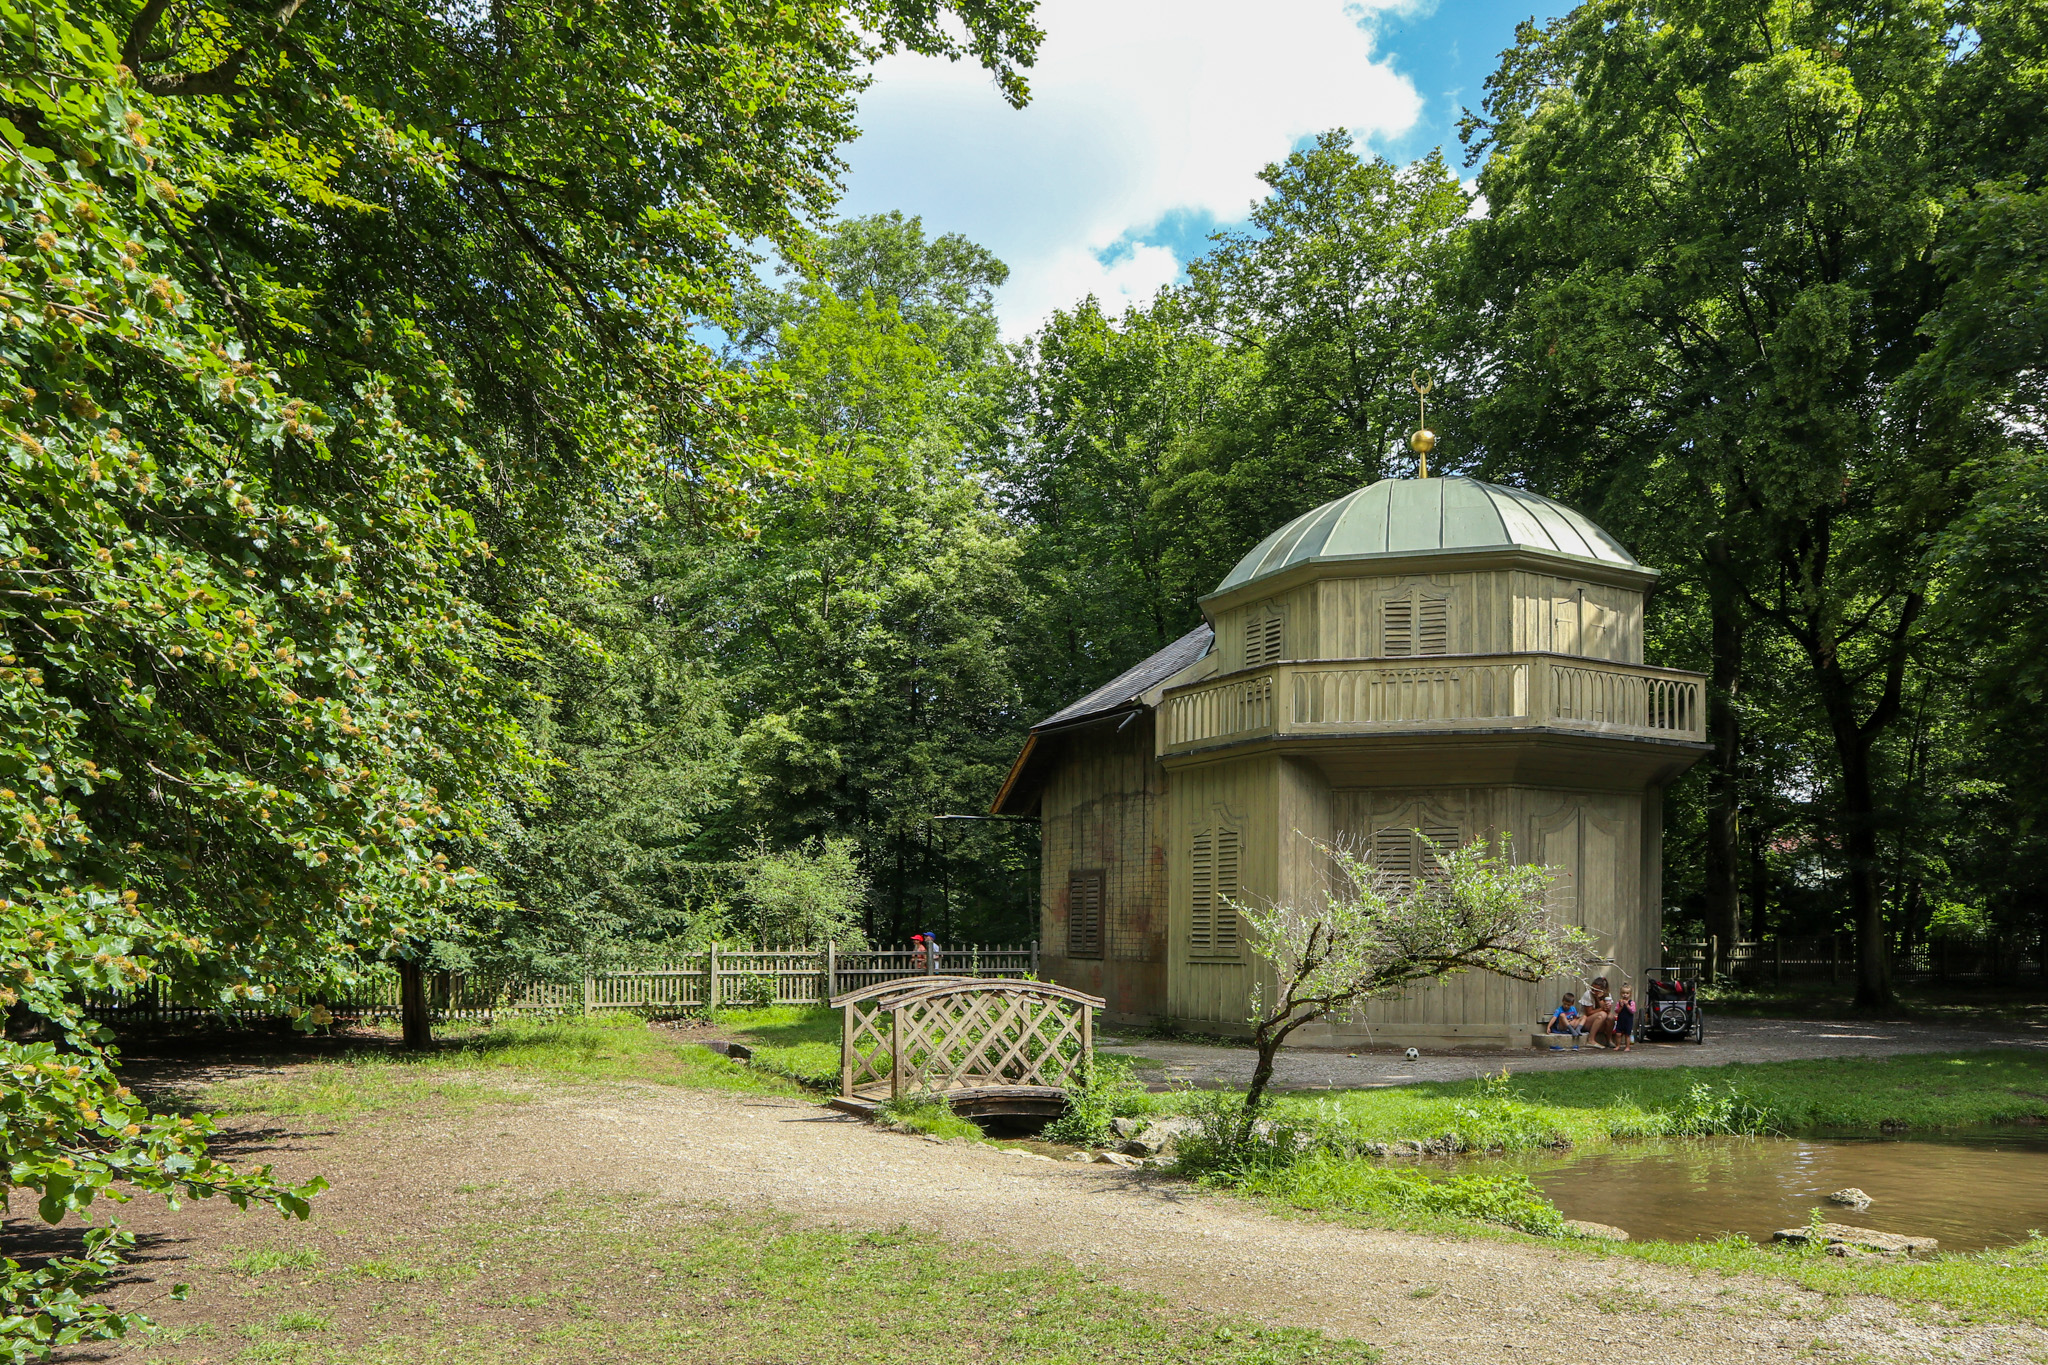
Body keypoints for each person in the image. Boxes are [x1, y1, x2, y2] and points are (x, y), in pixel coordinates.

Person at [1578, 976, 1615, 1049]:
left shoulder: (1607, 995)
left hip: (1600, 1022)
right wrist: (1601, 1007)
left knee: (1611, 1017)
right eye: (1593, 989)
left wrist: (1599, 999)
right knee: (1602, 1014)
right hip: (1585, 1021)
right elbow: (1589, 1012)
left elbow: (1607, 1011)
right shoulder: (1588, 995)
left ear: (1603, 990)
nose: (1594, 992)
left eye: (1597, 990)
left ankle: (1608, 1040)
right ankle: (1591, 1040)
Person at [1613, 984, 1637, 1052]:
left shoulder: (1631, 1002)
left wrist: (1627, 1005)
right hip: (1620, 1020)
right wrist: (1621, 1006)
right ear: (1621, 993)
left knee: (1627, 1034)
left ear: (1630, 994)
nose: (1625, 995)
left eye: (1627, 993)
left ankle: (1627, 1047)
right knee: (1618, 1034)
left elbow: (1633, 1011)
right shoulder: (1619, 1002)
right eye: (1623, 993)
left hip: (1628, 1020)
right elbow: (1616, 1011)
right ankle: (1618, 1045)